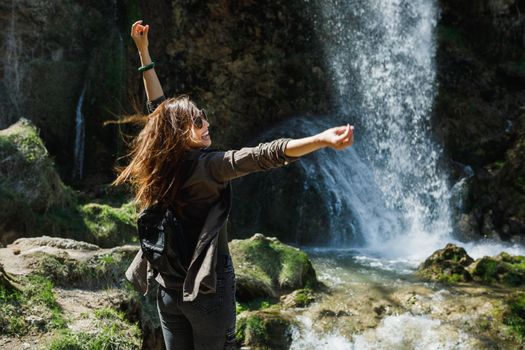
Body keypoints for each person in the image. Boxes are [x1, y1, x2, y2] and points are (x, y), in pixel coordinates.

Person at [118, 20, 354, 350]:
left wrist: (143, 51)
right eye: (198, 121)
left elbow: (159, 110)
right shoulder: (210, 166)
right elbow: (265, 154)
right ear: (182, 131)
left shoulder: (159, 163)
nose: (206, 123)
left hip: (168, 291)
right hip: (207, 293)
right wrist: (322, 140)